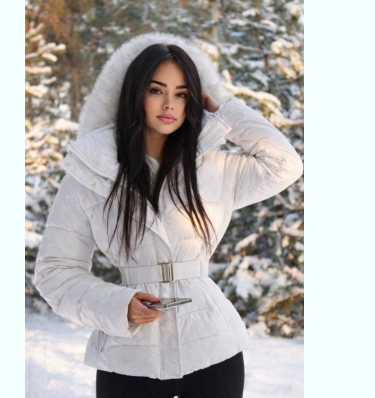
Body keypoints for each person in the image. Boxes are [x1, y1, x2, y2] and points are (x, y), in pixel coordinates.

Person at [34, 32, 303, 398]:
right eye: (156, 90)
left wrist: (224, 110)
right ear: (135, 94)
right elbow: (55, 271)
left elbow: (285, 164)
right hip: (128, 357)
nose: (169, 104)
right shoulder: (90, 173)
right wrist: (116, 305)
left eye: (181, 94)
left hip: (213, 349)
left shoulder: (215, 168)